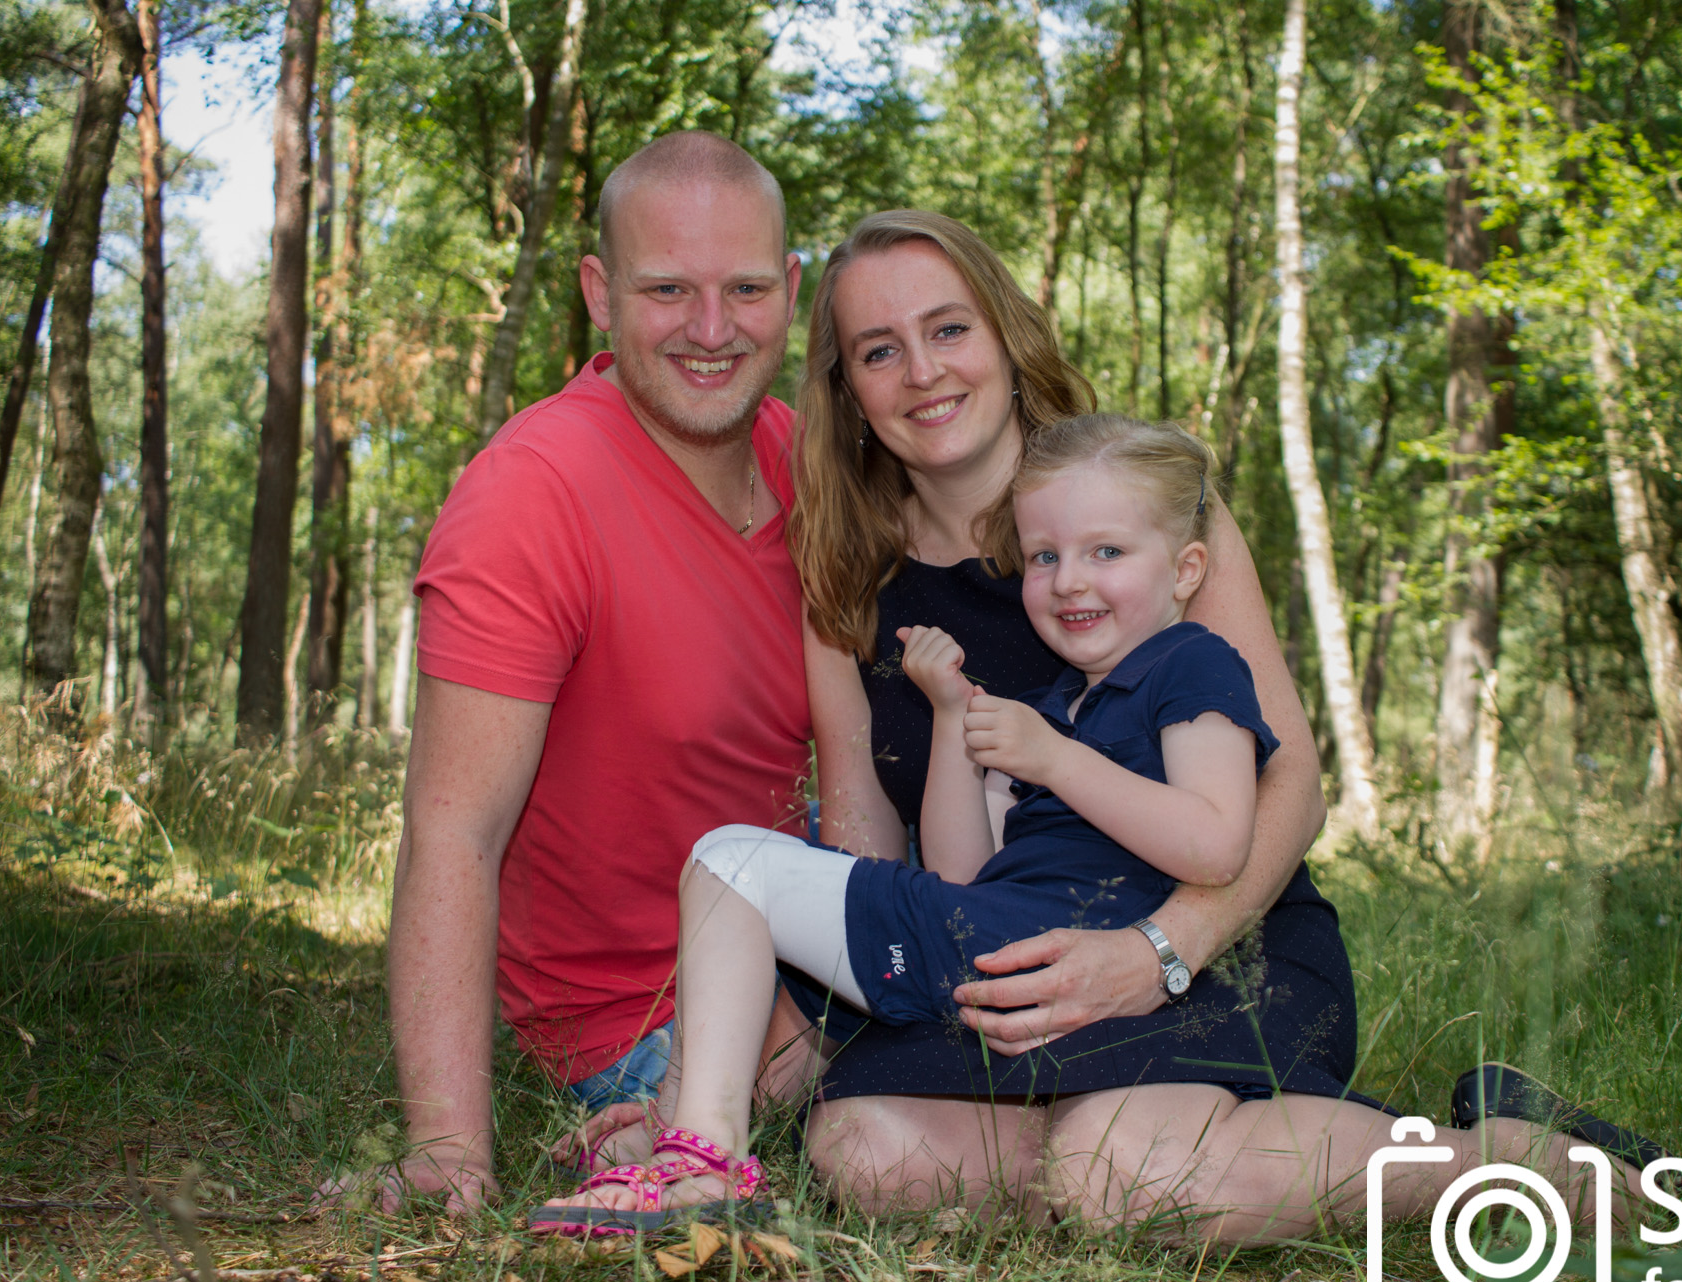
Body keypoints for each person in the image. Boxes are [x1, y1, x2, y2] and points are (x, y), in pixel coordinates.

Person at [775, 209, 1652, 1242]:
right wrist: (802, 1036)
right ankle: (1144, 1157)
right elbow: (865, 835)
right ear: (846, 391)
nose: (922, 371)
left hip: (1216, 938)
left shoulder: (1150, 501)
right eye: (880, 350)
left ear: (1007, 338)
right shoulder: (842, 569)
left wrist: (1158, 952)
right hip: (1008, 967)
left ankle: (1491, 1161)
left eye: (948, 329)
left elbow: (1293, 785)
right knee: (863, 1152)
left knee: (1120, 1178)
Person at [529, 415, 1280, 1232]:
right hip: (1002, 946)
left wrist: (1058, 762)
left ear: (1186, 569)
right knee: (732, 872)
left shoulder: (1196, 661)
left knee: (731, 865)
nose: (1069, 580)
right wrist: (956, 720)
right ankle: (688, 1125)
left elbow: (1216, 842)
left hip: (1088, 945)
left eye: (1107, 552)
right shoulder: (1051, 708)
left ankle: (701, 1158)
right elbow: (961, 877)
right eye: (1045, 557)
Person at [319, 131, 822, 1213]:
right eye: (665, 290)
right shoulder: (531, 495)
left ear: (789, 290)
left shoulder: (806, 459)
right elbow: (452, 829)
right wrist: (448, 1144)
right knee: (922, 1103)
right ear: (599, 292)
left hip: (799, 933)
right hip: (638, 1005)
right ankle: (676, 1112)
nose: (709, 329)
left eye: (743, 288)